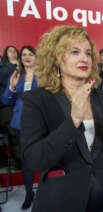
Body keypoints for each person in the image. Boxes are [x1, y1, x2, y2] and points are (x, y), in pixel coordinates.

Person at [20, 25, 103, 212]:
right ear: (55, 58)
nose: (84, 58)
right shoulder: (37, 99)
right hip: (62, 201)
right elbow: (35, 159)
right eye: (74, 52)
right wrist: (73, 122)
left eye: (88, 53)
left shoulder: (102, 96)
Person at [1, 46, 38, 209]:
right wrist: (10, 88)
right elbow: (6, 101)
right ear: (20, 58)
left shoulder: (44, 75)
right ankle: (29, 193)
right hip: (20, 124)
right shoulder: (16, 75)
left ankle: (48, 191)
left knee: (46, 158)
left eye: (31, 54)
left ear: (36, 57)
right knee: (27, 160)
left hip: (41, 124)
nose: (27, 57)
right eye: (24, 55)